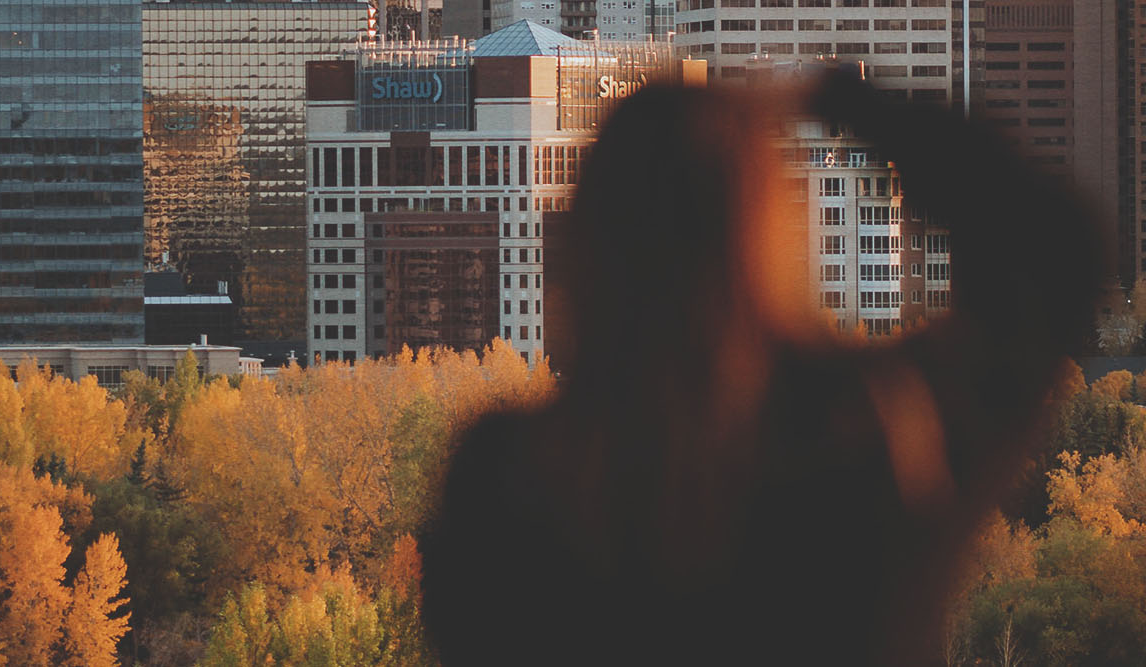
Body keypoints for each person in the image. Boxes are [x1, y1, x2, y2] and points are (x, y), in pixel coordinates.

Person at [420, 73, 1104, 664]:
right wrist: (846, 99)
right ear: (771, 237)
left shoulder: (505, 488)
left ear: (582, 250)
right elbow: (1054, 257)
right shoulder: (866, 457)